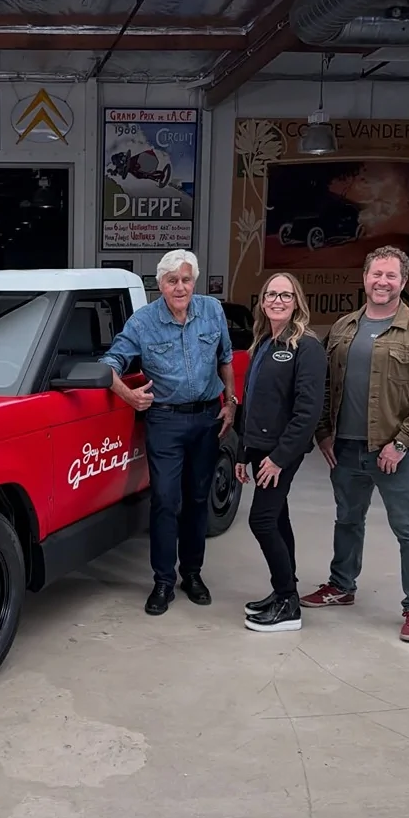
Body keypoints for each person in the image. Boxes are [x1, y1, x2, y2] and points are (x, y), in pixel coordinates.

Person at [301, 246, 409, 642]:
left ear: (403, 282)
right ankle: (341, 586)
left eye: (391, 275)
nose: (382, 281)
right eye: (376, 274)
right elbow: (327, 386)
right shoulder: (345, 327)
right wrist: (324, 432)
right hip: (346, 448)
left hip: (395, 452)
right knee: (347, 520)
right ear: (364, 278)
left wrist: (400, 444)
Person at [100, 249, 237, 615]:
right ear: (159, 284)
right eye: (172, 280)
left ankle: (192, 574)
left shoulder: (211, 310)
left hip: (207, 417)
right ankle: (163, 581)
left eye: (186, 279)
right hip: (165, 421)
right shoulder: (143, 322)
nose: (180, 287)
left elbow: (225, 357)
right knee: (165, 501)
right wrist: (129, 396)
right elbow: (109, 365)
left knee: (197, 499)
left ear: (195, 280)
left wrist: (232, 402)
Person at [234, 274, 326, 633]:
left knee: (262, 520)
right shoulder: (263, 343)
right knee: (278, 517)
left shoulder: (306, 346)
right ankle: (281, 591)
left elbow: (308, 410)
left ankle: (288, 603)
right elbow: (252, 403)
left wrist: (280, 458)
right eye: (271, 294)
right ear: (262, 301)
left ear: (297, 301)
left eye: (285, 294)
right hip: (257, 448)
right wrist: (243, 453)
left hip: (280, 452)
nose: (277, 299)